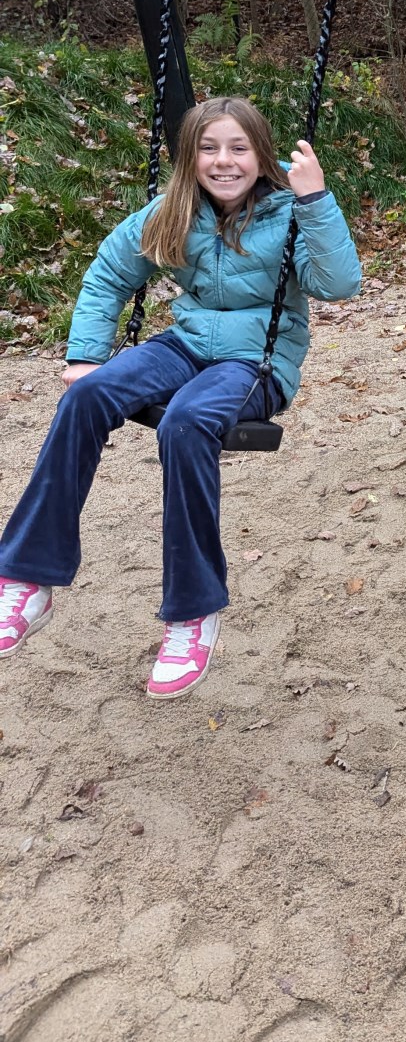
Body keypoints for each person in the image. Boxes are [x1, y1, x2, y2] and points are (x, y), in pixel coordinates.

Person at [0, 96, 361, 695]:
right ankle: (28, 579)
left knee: (187, 421)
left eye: (238, 148)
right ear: (190, 158)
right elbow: (109, 273)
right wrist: (86, 355)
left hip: (256, 362)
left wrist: (316, 199)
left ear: (260, 154)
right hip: (186, 344)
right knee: (87, 395)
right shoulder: (175, 209)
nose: (224, 161)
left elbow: (339, 284)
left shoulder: (292, 211)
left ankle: (193, 613)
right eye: (208, 148)